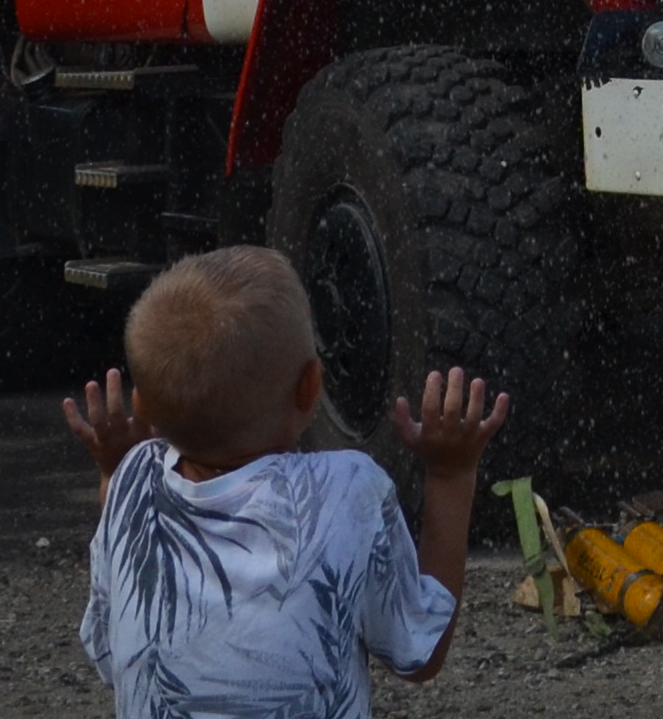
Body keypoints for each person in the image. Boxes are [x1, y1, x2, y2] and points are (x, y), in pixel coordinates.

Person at [63, 246, 505, 714]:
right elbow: (420, 654)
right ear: (310, 385)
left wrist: (117, 473)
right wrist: (451, 475)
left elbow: (115, 651)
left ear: (144, 409)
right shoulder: (346, 488)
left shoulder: (131, 474)